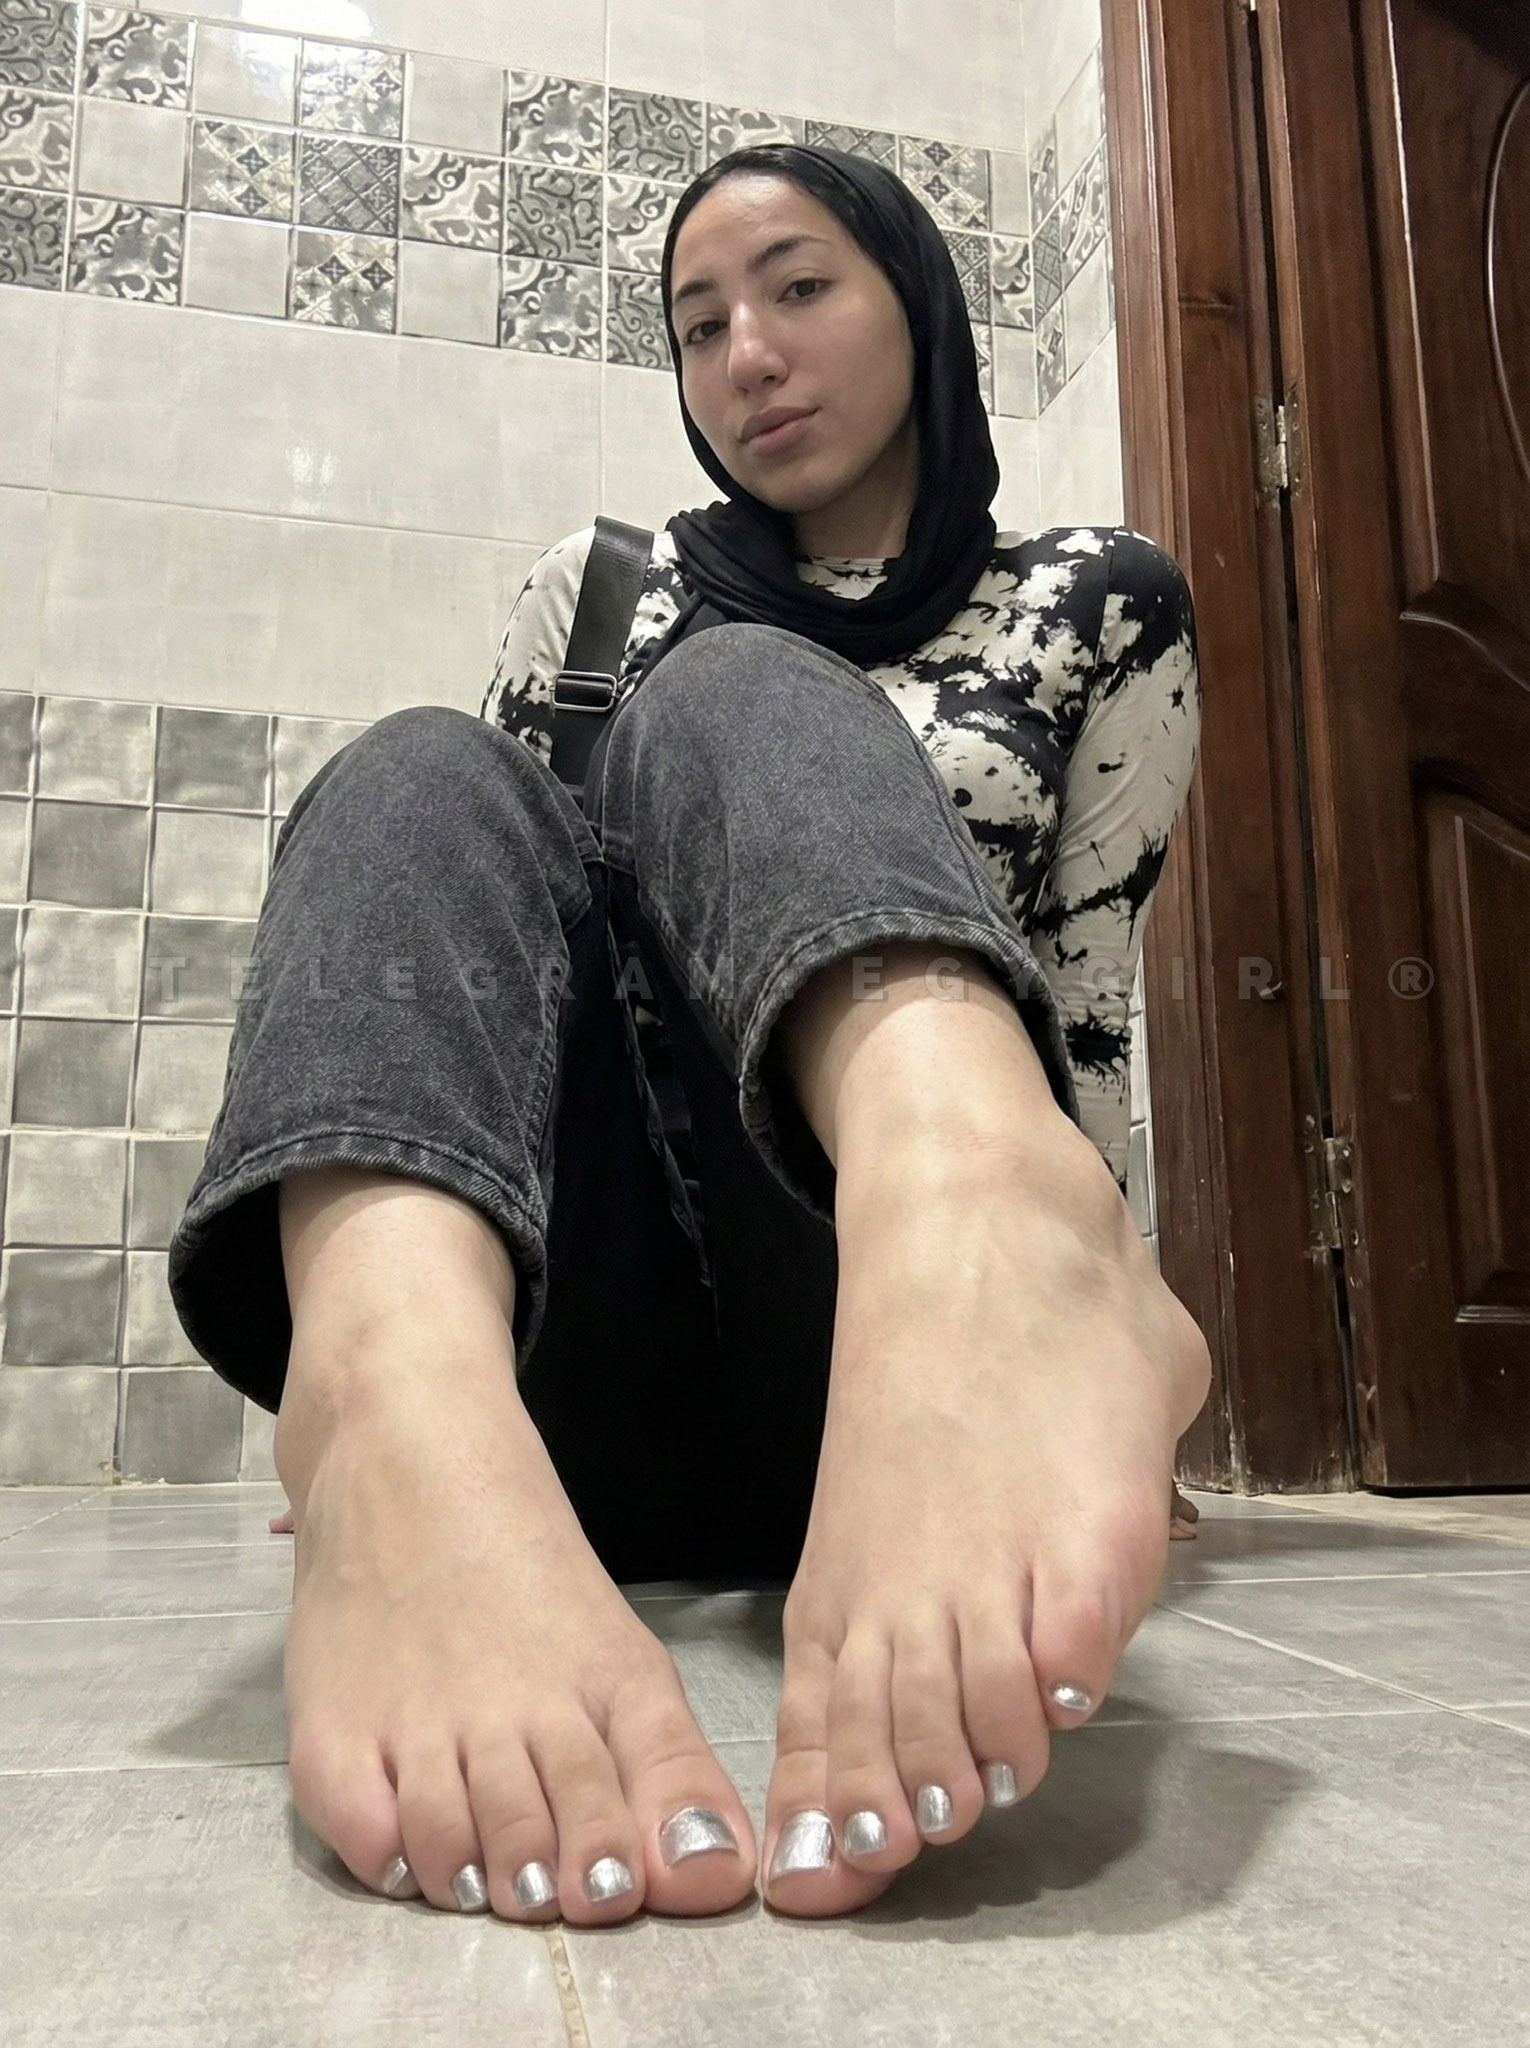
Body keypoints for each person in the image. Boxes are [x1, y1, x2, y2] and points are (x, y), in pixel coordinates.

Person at [169, 142, 1211, 1932]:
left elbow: (1090, 996)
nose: (749, 355)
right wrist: (406, 1350)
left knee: (739, 686)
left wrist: (1089, 1307)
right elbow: (493, 955)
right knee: (417, 768)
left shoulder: (1093, 602)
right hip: (588, 1369)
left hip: (877, 1341)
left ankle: (992, 1231)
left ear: (917, 303)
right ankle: (386, 1394)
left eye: (798, 288)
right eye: (699, 323)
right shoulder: (596, 589)